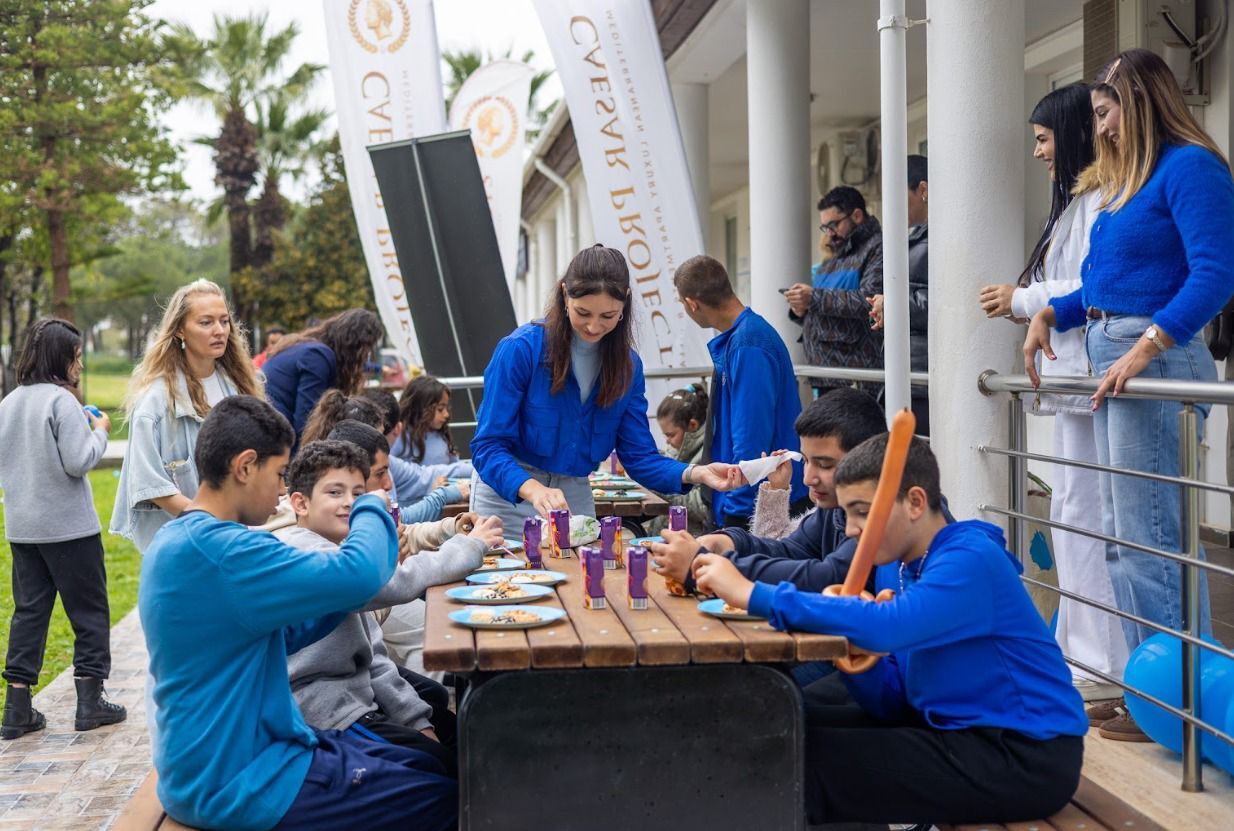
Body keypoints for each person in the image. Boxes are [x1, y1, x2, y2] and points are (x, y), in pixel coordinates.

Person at [693, 435, 1087, 826]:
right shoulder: (899, 566)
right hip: (951, 731)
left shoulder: (971, 559)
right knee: (784, 727)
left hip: (1024, 756)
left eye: (862, 512)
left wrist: (751, 593)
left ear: (915, 502)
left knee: (801, 763)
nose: (851, 530)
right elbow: (895, 703)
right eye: (847, 513)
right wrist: (862, 665)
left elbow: (887, 626)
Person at [1023, 49, 1234, 740]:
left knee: (1151, 539)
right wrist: (1052, 312)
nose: (1101, 127)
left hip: (1152, 364)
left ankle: (1174, 701)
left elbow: (1216, 273)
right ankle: (1155, 688)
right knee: (1126, 537)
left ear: (1139, 101)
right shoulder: (1130, 181)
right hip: (1118, 358)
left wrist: (1149, 344)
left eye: (1106, 111)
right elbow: (1105, 285)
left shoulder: (1190, 167)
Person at [140, 396, 456, 831]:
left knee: (428, 766)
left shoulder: (180, 541)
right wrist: (368, 502)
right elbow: (361, 575)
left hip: (215, 763)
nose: (280, 492)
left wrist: (327, 597)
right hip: (240, 779)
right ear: (245, 466)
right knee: (445, 799)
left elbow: (284, 631)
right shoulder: (228, 551)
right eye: (278, 474)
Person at [978, 83, 1128, 711]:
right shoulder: (1077, 203)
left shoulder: (1097, 201)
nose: (1039, 151)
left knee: (1088, 519)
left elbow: (1091, 284)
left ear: (1069, 135)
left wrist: (1023, 301)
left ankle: (1102, 663)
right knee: (1071, 517)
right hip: (1075, 383)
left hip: (1088, 378)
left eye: (1043, 139)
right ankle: (1081, 652)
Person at [470, 244, 742, 531]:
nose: (593, 326)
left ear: (625, 303)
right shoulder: (520, 350)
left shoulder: (627, 367)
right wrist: (533, 489)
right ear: (564, 295)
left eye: (608, 316)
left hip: (573, 495)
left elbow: (639, 457)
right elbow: (487, 446)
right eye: (583, 312)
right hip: (508, 496)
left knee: (585, 562)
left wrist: (697, 473)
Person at [276, 440, 503, 777]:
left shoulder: (342, 550)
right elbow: (398, 582)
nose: (349, 502)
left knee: (449, 721)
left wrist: (416, 720)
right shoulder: (307, 554)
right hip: (329, 710)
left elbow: (372, 654)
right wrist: (468, 548)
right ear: (300, 503)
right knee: (441, 768)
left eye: (357, 493)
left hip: (353, 688)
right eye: (335, 493)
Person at [1, 319, 125, 739]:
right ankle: (91, 701)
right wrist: (100, 432)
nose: (80, 366)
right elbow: (78, 460)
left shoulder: (9, 402)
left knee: (29, 612)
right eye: (76, 357)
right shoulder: (62, 401)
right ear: (60, 359)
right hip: (69, 529)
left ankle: (17, 706)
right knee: (89, 611)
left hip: (23, 529)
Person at [649, 388, 887, 597]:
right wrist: (730, 541)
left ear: (864, 457)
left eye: (824, 464)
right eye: (805, 461)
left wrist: (712, 565)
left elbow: (830, 576)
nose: (807, 478)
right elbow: (790, 550)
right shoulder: (832, 508)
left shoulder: (876, 514)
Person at [111, 279, 262, 552]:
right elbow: (150, 485)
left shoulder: (241, 387)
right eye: (206, 322)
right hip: (184, 544)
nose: (219, 331)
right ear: (180, 330)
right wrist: (209, 522)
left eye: (224, 321)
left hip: (239, 536)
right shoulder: (155, 402)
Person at [675, 255, 806, 529]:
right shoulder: (744, 337)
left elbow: (751, 438)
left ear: (692, 303)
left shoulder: (749, 344)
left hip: (752, 505)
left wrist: (736, 511)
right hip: (748, 497)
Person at [784, 186, 883, 397]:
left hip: (856, 377)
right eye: (825, 227)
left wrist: (813, 298)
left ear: (857, 215)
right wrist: (802, 310)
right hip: (828, 374)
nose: (829, 233)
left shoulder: (877, 248)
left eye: (834, 225)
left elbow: (871, 301)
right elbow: (828, 311)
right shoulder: (836, 254)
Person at [870, 155, 931, 435]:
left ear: (923, 190)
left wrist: (893, 304)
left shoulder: (938, 238)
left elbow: (941, 305)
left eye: (899, 195)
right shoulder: (910, 237)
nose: (892, 206)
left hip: (922, 376)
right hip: (906, 372)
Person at [262, 309, 385, 442]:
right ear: (356, 345)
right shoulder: (317, 357)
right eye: (367, 349)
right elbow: (305, 423)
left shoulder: (309, 348)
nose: (365, 356)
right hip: (273, 437)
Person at [385, 378, 474, 502]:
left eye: (446, 408)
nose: (446, 414)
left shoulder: (441, 435)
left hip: (442, 502)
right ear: (421, 408)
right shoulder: (401, 437)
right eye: (440, 409)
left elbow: (455, 467)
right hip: (413, 505)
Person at [646, 384, 711, 535]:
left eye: (670, 435)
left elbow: (701, 507)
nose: (667, 441)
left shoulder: (709, 454)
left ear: (692, 425)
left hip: (690, 539)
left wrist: (657, 483)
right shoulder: (679, 447)